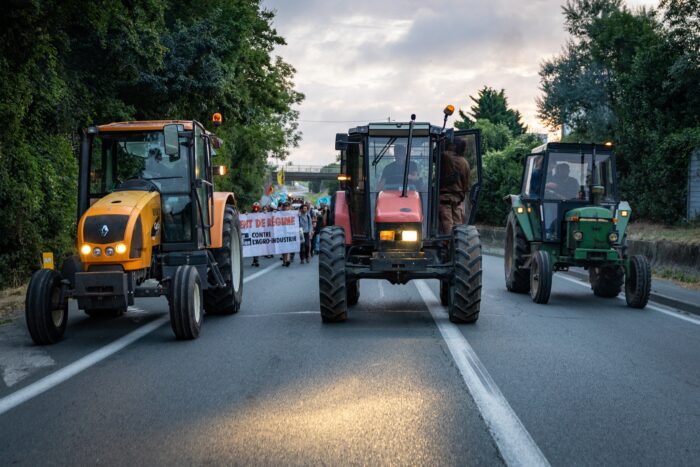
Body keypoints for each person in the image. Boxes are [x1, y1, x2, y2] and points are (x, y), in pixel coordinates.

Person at [439, 138, 470, 234]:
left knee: (447, 223)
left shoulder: (447, 156)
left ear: (454, 147)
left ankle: (449, 244)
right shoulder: (465, 162)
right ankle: (458, 244)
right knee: (458, 224)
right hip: (457, 199)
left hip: (445, 198)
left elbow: (438, 152)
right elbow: (466, 183)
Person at [250, 202, 261, 267]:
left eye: (257, 208)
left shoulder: (262, 214)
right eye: (255, 208)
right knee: (253, 247)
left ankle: (256, 260)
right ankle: (255, 259)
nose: (256, 209)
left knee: (257, 246)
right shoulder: (250, 214)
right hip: (252, 232)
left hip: (259, 233)